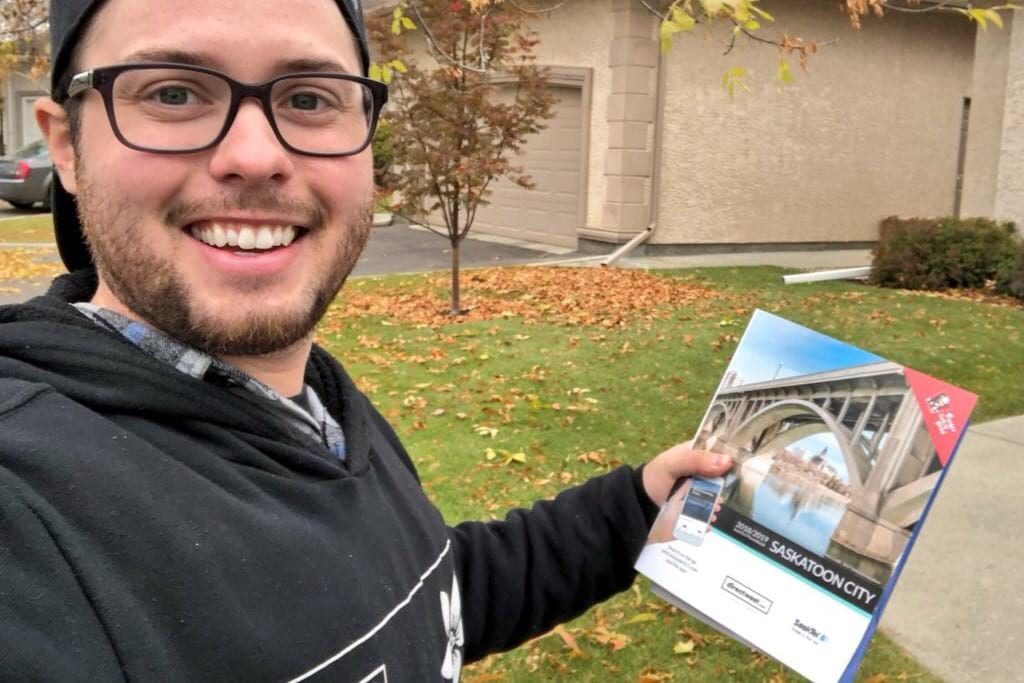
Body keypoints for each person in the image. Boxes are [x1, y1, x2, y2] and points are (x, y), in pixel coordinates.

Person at [0, 0, 732, 679]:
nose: (255, 156)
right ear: (66, 146)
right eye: (173, 93)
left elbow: (421, 596)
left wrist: (633, 509)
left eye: (310, 99)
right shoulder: (31, 513)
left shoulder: (317, 403)